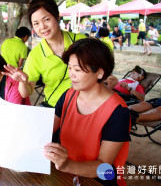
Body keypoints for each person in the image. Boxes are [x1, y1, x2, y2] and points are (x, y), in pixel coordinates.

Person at [43, 38, 130, 185]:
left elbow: (105, 168)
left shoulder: (118, 112)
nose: (71, 74)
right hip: (67, 175)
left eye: (77, 70)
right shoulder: (68, 96)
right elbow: (45, 128)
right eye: (69, 68)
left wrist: (67, 165)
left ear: (100, 73)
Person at [3, 0, 86, 108]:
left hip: (85, 107)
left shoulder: (81, 41)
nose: (42, 27)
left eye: (46, 19)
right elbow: (26, 93)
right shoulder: (35, 55)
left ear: (57, 17)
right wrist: (22, 82)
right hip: (55, 109)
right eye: (36, 23)